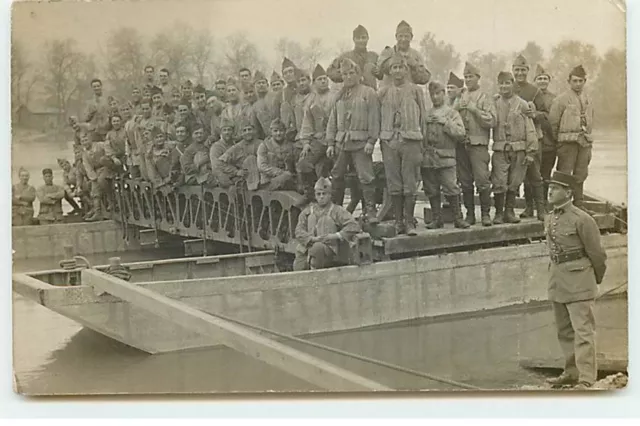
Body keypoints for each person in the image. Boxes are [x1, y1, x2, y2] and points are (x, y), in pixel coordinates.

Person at [544, 170, 607, 390]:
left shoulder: (582, 219)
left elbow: (597, 255)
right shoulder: (550, 217)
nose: (550, 191)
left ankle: (586, 378)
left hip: (580, 280)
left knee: (583, 331)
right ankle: (571, 372)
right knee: (564, 330)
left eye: (555, 188)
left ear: (568, 192)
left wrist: (592, 280)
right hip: (558, 280)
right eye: (550, 187)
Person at [326, 58, 380, 224]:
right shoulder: (339, 95)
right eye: (344, 74)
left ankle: (370, 211)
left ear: (358, 74)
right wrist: (330, 143)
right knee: (337, 175)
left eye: (351, 73)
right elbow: (332, 120)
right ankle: (335, 212)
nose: (348, 77)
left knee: (366, 176)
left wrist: (371, 140)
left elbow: (374, 118)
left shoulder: (368, 93)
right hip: (342, 142)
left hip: (361, 142)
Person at [378, 53, 427, 235]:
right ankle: (398, 221)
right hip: (389, 141)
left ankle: (409, 221)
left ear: (406, 69)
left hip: (411, 140)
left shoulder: (416, 90)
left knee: (410, 181)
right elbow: (377, 116)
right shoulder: (382, 92)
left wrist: (423, 142)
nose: (397, 71)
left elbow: (423, 117)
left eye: (400, 67)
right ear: (389, 71)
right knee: (394, 182)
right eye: (394, 68)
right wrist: (383, 137)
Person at [491, 71, 538, 224]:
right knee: (499, 181)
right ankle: (498, 213)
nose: (504, 86)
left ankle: (509, 212)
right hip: (500, 149)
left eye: (507, 83)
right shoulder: (494, 103)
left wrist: (531, 151)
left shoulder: (523, 104)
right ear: (498, 85)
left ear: (513, 84)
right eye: (501, 83)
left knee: (515, 181)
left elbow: (530, 128)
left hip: (519, 150)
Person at [454, 61, 497, 227]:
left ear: (478, 78)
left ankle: (485, 214)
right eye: (465, 77)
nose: (467, 80)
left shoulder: (485, 97)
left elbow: (492, 120)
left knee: (482, 180)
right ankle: (470, 214)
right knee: (465, 181)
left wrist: (474, 110)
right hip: (462, 145)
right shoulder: (460, 96)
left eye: (470, 76)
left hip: (478, 144)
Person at [421, 81, 469, 229]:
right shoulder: (426, 114)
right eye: (432, 94)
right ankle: (437, 219)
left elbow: (461, 134)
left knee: (451, 187)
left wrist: (445, 123)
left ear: (443, 94)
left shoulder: (452, 113)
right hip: (428, 158)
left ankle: (458, 218)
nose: (435, 97)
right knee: (431, 188)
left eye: (438, 94)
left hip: (446, 158)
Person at [548, 65, 594, 211]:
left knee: (581, 173)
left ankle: (578, 204)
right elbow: (553, 123)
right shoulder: (560, 100)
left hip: (584, 141)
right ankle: (562, 205)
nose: (578, 84)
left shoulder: (588, 99)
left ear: (585, 81)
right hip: (567, 142)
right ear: (569, 82)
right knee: (564, 174)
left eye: (581, 81)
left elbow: (592, 119)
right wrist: (560, 141)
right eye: (575, 81)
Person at [294, 177, 361, 271]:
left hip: (328, 249)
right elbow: (298, 231)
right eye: (318, 194)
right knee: (298, 265)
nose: (321, 196)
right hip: (308, 246)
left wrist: (334, 236)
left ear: (330, 195)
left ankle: (315, 271)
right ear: (315, 196)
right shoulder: (307, 211)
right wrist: (312, 238)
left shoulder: (337, 211)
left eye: (324, 194)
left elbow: (354, 226)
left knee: (317, 248)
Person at [512, 54, 546, 220]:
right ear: (512, 70)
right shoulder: (507, 89)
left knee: (535, 175)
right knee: (521, 175)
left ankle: (541, 209)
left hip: (533, 138)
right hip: (516, 140)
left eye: (523, 70)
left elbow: (545, 114)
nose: (520, 73)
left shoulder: (535, 91)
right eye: (517, 70)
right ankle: (528, 207)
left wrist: (534, 114)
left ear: (527, 71)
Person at [297, 64, 335, 204]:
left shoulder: (335, 97)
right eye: (319, 79)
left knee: (330, 168)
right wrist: (306, 143)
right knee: (303, 163)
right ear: (314, 82)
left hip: (335, 139)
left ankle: (332, 199)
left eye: (325, 78)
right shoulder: (311, 100)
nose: (323, 81)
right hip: (319, 140)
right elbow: (307, 123)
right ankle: (311, 193)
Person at [375, 21, 431, 86]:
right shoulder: (387, 53)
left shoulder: (416, 55)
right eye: (400, 36)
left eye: (406, 36)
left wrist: (415, 65)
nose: (403, 39)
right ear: (396, 37)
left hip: (408, 93)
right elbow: (379, 71)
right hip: (389, 93)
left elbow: (425, 79)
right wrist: (396, 60)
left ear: (411, 37)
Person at [533, 64, 558, 206]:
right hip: (534, 140)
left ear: (549, 80)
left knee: (546, 173)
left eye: (545, 78)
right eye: (539, 78)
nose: (542, 81)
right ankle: (530, 204)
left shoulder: (554, 99)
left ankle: (543, 202)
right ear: (535, 80)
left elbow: (555, 120)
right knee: (532, 174)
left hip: (549, 142)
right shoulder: (530, 95)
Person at [327, 25, 379, 89]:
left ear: (368, 38)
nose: (361, 40)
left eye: (363, 38)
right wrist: (345, 74)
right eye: (358, 38)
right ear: (354, 39)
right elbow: (330, 72)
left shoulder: (373, 56)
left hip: (371, 94)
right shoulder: (346, 56)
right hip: (352, 95)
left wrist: (378, 72)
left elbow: (384, 74)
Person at [218, 119, 262, 190]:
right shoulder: (237, 147)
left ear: (254, 131)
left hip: (262, 177)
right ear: (241, 133)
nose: (247, 132)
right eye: (244, 130)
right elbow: (221, 162)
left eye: (249, 129)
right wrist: (236, 172)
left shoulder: (261, 143)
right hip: (246, 180)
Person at [80, 131, 111, 222]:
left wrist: (108, 158)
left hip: (106, 167)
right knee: (94, 190)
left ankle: (110, 200)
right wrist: (93, 178)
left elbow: (108, 150)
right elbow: (88, 167)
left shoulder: (99, 145)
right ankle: (98, 213)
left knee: (102, 181)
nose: (85, 142)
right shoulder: (85, 154)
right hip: (96, 171)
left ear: (90, 140)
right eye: (83, 141)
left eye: (86, 140)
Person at [257, 119, 296, 190]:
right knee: (287, 177)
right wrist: (281, 173)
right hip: (269, 181)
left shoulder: (290, 145)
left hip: (287, 178)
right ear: (271, 132)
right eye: (275, 131)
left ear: (285, 131)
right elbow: (262, 166)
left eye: (281, 131)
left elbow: (295, 163)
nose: (278, 133)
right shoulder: (264, 145)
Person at [253, 70, 276, 139]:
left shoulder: (276, 97)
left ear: (267, 85)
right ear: (255, 86)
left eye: (263, 83)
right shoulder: (255, 106)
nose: (261, 85)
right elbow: (257, 127)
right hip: (268, 138)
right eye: (258, 83)